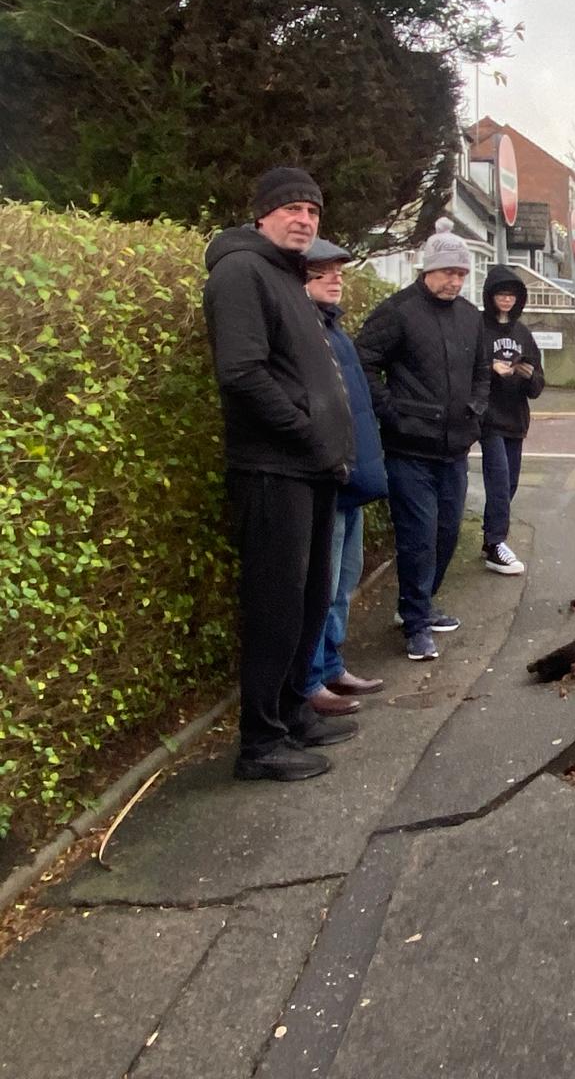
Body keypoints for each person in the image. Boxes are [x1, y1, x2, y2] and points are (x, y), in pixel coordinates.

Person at [202, 167, 356, 782]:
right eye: (292, 208)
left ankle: (294, 711)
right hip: (272, 471)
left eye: (313, 211)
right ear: (262, 215)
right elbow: (241, 373)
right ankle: (260, 743)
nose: (305, 220)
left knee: (310, 600)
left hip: (311, 469)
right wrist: (305, 429)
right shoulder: (240, 272)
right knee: (274, 607)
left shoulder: (287, 275)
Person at [356, 218, 490, 662]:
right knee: (418, 535)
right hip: (409, 449)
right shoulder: (398, 312)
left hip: (454, 449)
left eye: (461, 273)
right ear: (427, 269)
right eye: (448, 272)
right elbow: (364, 359)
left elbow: (482, 373)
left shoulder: (472, 318)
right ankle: (414, 624)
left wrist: (476, 410)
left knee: (449, 532)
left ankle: (420, 603)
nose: (455, 281)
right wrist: (390, 411)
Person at [300, 238, 388, 715]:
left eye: (338, 271)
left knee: (344, 581)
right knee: (323, 584)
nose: (335, 279)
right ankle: (312, 680)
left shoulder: (335, 331)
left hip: (352, 479)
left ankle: (332, 666)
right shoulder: (305, 334)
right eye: (322, 272)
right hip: (330, 481)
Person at [479, 265, 544, 576]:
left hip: (516, 419)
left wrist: (528, 375)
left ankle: (490, 537)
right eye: (501, 294)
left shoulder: (523, 333)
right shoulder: (479, 329)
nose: (506, 300)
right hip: (489, 419)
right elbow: (467, 368)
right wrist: (491, 370)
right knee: (499, 482)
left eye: (511, 295)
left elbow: (538, 383)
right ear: (490, 297)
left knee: (511, 482)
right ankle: (495, 543)